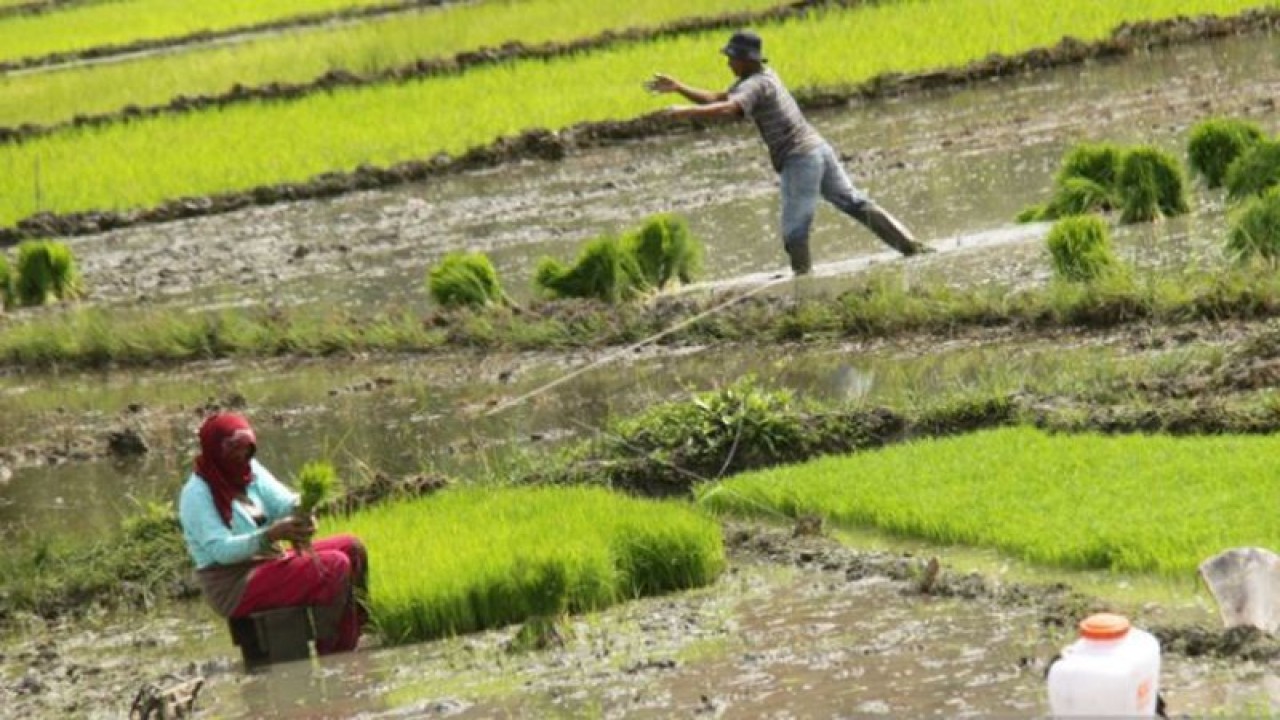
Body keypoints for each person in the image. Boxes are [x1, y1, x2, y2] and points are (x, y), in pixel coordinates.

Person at [646, 29, 929, 275]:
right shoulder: (762, 77)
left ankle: (803, 283)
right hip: (818, 148)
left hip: (800, 157)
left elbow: (730, 109)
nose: (729, 62)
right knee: (854, 202)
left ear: (747, 60)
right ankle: (912, 247)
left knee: (795, 228)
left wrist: (685, 113)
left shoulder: (755, 84)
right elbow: (720, 98)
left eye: (732, 57)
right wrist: (679, 88)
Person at [178, 412, 368, 655]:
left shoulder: (250, 470)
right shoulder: (197, 494)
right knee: (335, 566)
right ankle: (336, 651)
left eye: (247, 449)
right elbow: (221, 550)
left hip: (269, 561)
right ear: (214, 452)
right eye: (233, 450)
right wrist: (269, 535)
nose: (241, 456)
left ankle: (358, 632)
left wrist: (303, 510)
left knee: (352, 548)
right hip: (235, 582)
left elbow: (283, 502)